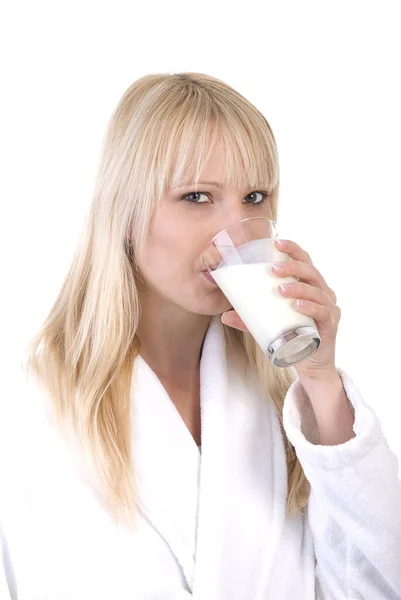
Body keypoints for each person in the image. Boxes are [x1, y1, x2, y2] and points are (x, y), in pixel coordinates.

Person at [1, 72, 400, 600]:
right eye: (196, 197)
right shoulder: (26, 410)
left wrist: (322, 383)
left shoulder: (283, 405)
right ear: (126, 213)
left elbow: (373, 586)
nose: (235, 229)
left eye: (254, 196)